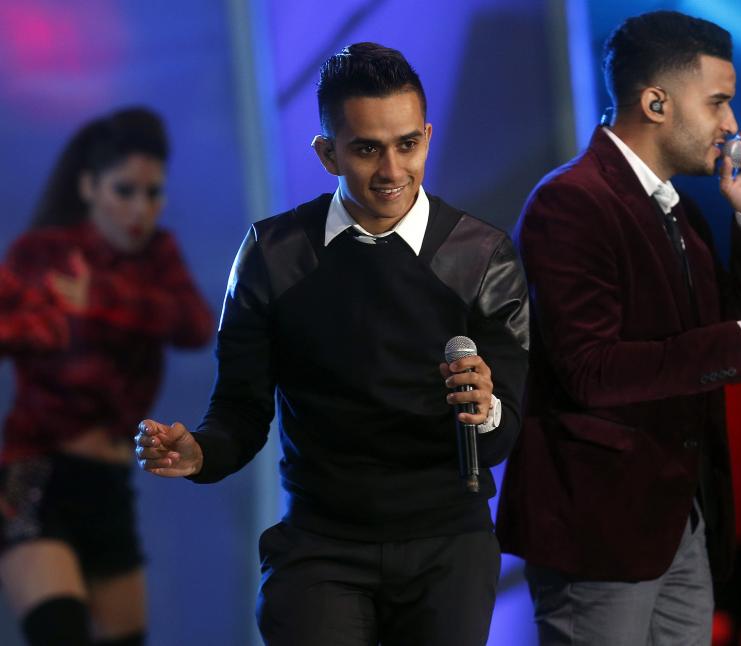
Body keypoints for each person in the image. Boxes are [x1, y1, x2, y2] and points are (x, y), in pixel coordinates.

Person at [134, 43, 528, 646]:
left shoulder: (484, 256)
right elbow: (240, 408)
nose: (392, 170)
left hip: (448, 545)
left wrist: (487, 410)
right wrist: (202, 453)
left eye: (407, 144)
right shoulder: (273, 253)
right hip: (320, 546)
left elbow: (506, 429)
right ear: (326, 153)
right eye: (367, 148)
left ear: (426, 137)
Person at [495, 10, 741, 645]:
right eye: (718, 103)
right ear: (656, 103)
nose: (732, 125)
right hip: (601, 528)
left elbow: (737, 345)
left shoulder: (677, 210)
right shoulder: (573, 201)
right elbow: (591, 370)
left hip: (681, 517)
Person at [0, 106, 215, 646]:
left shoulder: (158, 257)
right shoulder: (44, 254)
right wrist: (44, 324)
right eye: (124, 190)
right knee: (59, 631)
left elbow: (194, 326)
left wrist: (97, 300)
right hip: (36, 474)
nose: (141, 209)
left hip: (110, 483)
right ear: (89, 187)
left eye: (153, 193)